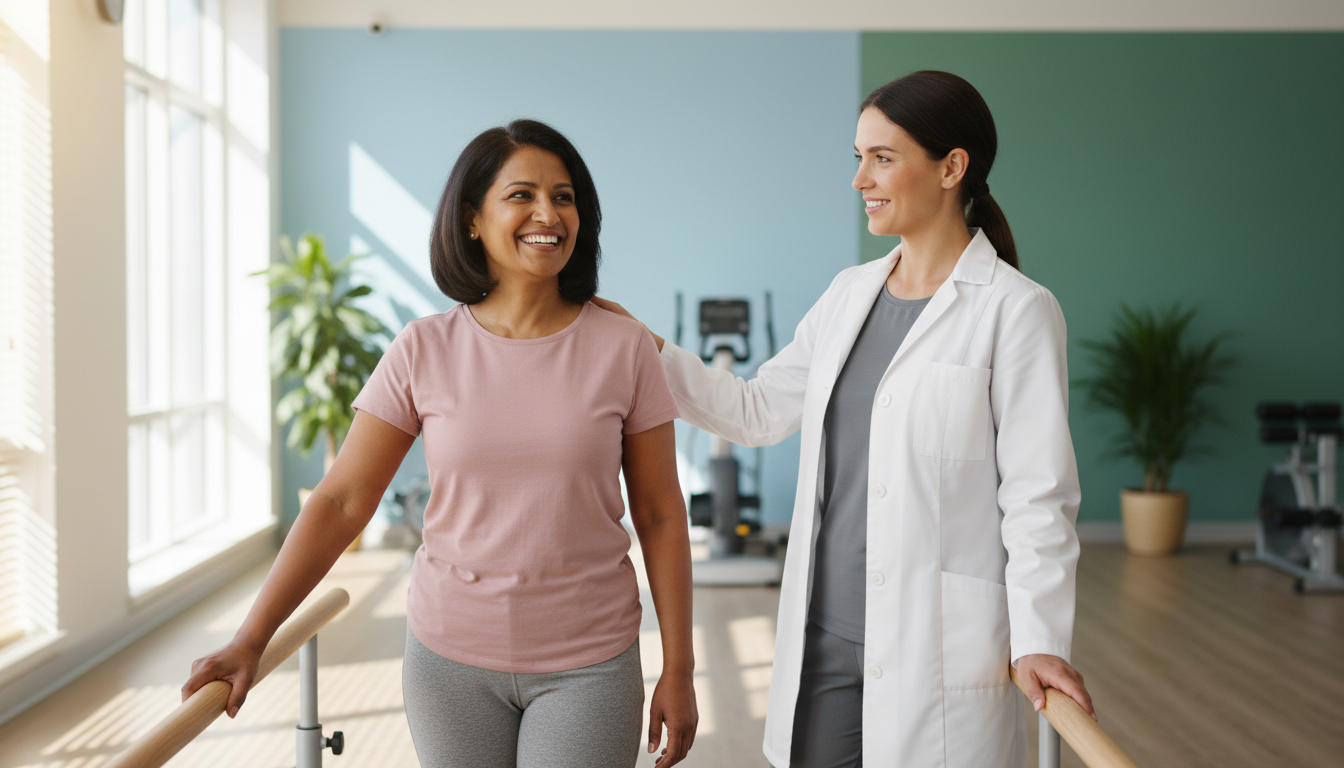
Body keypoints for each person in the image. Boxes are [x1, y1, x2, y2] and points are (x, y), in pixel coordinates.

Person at [594, 71, 1093, 768]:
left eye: (882, 158)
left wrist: (1040, 637)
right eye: (857, 158)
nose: (861, 179)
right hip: (823, 644)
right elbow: (758, 409)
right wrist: (644, 345)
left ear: (952, 167)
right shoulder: (848, 294)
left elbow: (1039, 498)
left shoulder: (1016, 310)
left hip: (937, 653)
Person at [182, 120, 698, 768]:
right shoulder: (423, 348)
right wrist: (251, 639)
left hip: (588, 662)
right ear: (472, 220)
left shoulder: (624, 347)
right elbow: (342, 501)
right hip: (450, 662)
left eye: (564, 197)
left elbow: (659, 512)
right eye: (522, 195)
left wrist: (679, 667)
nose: (548, 213)